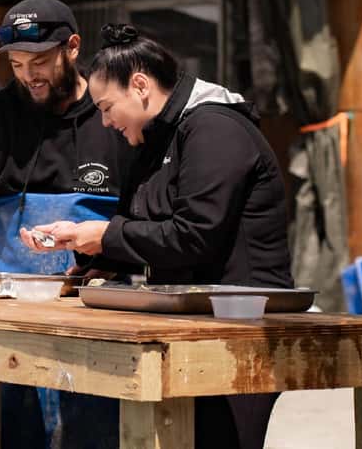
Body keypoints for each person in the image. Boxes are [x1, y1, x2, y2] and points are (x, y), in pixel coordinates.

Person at [22, 24, 293, 449]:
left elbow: (194, 235)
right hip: (191, 325)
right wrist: (92, 256)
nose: (106, 122)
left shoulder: (215, 129)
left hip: (244, 331)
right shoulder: (157, 140)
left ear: (141, 86)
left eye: (108, 108)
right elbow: (145, 227)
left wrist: (107, 236)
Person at [0, 0, 133, 448]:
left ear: (73, 48)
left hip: (102, 323)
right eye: (16, 64)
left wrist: (115, 252)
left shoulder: (111, 114)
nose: (28, 75)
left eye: (40, 62)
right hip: (11, 320)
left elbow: (151, 210)